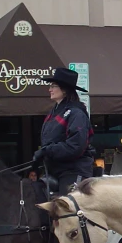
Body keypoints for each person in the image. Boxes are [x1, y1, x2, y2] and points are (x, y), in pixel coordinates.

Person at [32, 67, 94, 195]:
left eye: (53, 86)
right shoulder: (53, 113)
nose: (50, 89)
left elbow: (75, 146)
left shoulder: (77, 113)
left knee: (67, 209)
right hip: (54, 170)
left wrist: (46, 151)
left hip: (74, 170)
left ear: (65, 90)